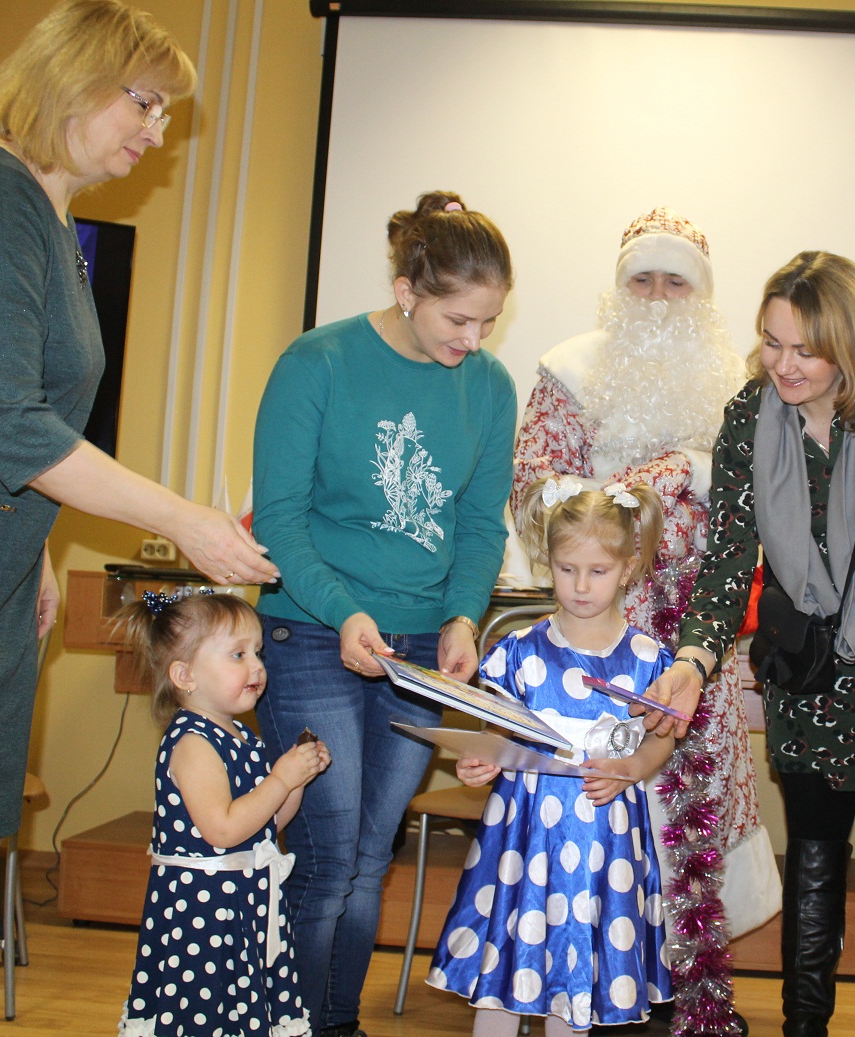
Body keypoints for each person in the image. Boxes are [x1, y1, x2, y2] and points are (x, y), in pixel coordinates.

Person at [0, 4, 278, 1033]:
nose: (158, 130)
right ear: (71, 80)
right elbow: (6, 417)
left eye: (166, 112)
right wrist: (184, 520)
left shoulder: (48, 221)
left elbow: (15, 418)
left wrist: (40, 550)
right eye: (144, 102)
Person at [251, 190, 516, 1037]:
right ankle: (295, 1026)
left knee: (369, 857)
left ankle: (334, 1025)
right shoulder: (318, 361)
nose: (473, 339)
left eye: (488, 322)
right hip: (309, 630)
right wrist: (343, 612)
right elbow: (279, 520)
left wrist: (463, 618)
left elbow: (479, 527)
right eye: (458, 319)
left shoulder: (491, 386)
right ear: (407, 290)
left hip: (418, 649)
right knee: (327, 855)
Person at [640, 251, 855, 1037]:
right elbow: (729, 560)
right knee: (818, 855)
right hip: (808, 670)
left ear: (850, 344)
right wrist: (693, 658)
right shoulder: (750, 416)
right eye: (771, 342)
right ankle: (805, 1026)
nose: (783, 364)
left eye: (806, 348)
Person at [513, 206, 770, 1036]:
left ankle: (686, 991)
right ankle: (594, 982)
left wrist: (691, 469)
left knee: (692, 805)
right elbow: (532, 492)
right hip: (596, 635)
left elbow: (751, 511)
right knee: (603, 796)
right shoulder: (569, 371)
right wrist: (624, 498)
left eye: (676, 282)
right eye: (643, 280)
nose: (658, 298)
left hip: (698, 640)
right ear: (619, 288)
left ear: (702, 293)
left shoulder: (735, 385)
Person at [428, 478, 676, 1034]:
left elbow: (663, 736)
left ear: (628, 569)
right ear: (549, 562)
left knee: (579, 960)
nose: (581, 586)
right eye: (568, 569)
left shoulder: (648, 659)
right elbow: (495, 733)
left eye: (598, 571)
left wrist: (632, 769)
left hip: (604, 835)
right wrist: (479, 762)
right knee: (505, 963)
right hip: (522, 835)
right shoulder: (519, 652)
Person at [116, 591, 331, 1036]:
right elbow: (224, 829)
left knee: (241, 1014)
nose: (257, 666)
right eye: (238, 654)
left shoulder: (242, 737)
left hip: (243, 903)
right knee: (205, 1014)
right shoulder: (193, 743)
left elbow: (265, 825)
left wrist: (296, 780)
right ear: (185, 676)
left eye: (258, 652)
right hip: (205, 911)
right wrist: (280, 779)